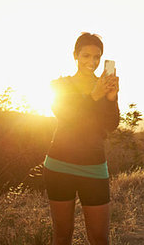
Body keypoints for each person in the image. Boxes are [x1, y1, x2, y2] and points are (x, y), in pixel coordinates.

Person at [43, 32, 120, 245]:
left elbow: (111, 125)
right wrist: (95, 95)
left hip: (94, 167)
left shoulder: (103, 86)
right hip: (59, 166)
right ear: (75, 55)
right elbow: (68, 117)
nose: (92, 62)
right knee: (62, 235)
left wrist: (112, 98)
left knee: (99, 238)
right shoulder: (59, 85)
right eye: (86, 56)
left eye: (97, 57)